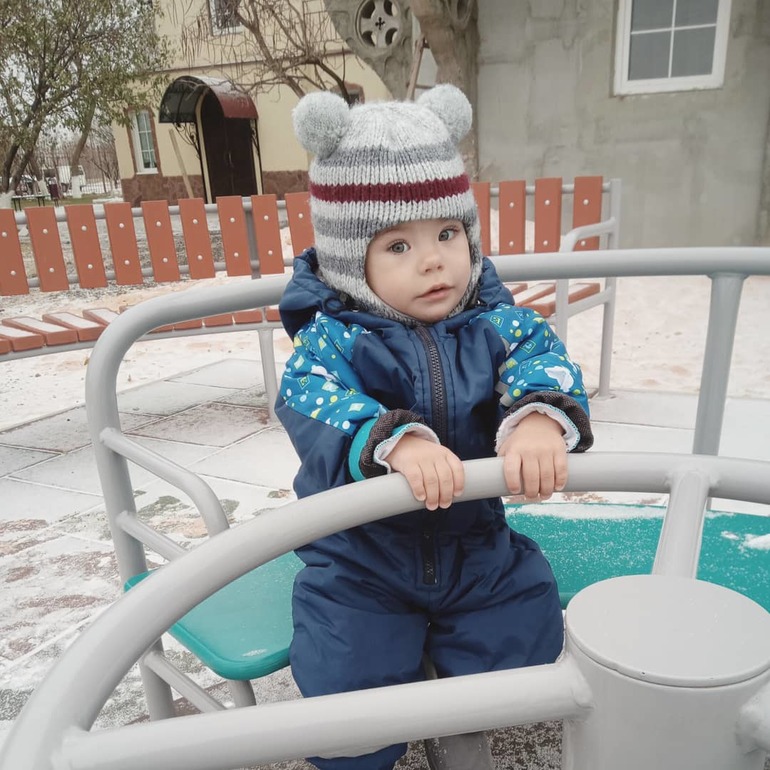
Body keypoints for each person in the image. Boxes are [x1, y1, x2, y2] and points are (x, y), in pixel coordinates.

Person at [276, 84, 593, 770]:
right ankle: (364, 746)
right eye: (398, 244)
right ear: (350, 259)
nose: (433, 260)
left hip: (476, 546)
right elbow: (311, 400)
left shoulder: (496, 325)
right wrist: (392, 438)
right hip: (361, 557)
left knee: (523, 634)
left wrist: (538, 416)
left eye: (448, 234)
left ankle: (467, 690)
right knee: (348, 693)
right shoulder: (332, 342)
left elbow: (542, 359)